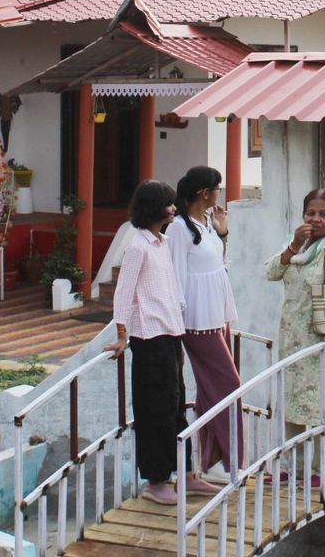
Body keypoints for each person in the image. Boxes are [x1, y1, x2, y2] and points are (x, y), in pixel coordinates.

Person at [263, 188, 325, 480]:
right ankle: (296, 468)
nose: (315, 220)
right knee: (292, 405)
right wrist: (293, 246)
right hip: (291, 339)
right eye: (310, 213)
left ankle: (322, 470)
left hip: (319, 340)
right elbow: (271, 273)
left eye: (323, 214)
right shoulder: (297, 246)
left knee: (317, 405)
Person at [108, 180, 187, 505]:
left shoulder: (161, 243)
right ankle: (156, 479)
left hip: (170, 332)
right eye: (168, 204)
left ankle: (176, 472)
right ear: (153, 208)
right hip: (148, 336)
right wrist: (122, 335)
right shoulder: (138, 246)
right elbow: (123, 292)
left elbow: (169, 287)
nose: (173, 208)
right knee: (155, 408)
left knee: (175, 403)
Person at [166, 166, 242, 488]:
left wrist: (223, 233)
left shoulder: (207, 223)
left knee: (211, 389)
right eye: (217, 189)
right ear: (204, 192)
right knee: (228, 384)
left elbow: (219, 266)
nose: (219, 194)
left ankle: (211, 460)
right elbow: (175, 276)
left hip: (217, 312)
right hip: (197, 320)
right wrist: (180, 320)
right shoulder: (179, 229)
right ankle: (232, 460)